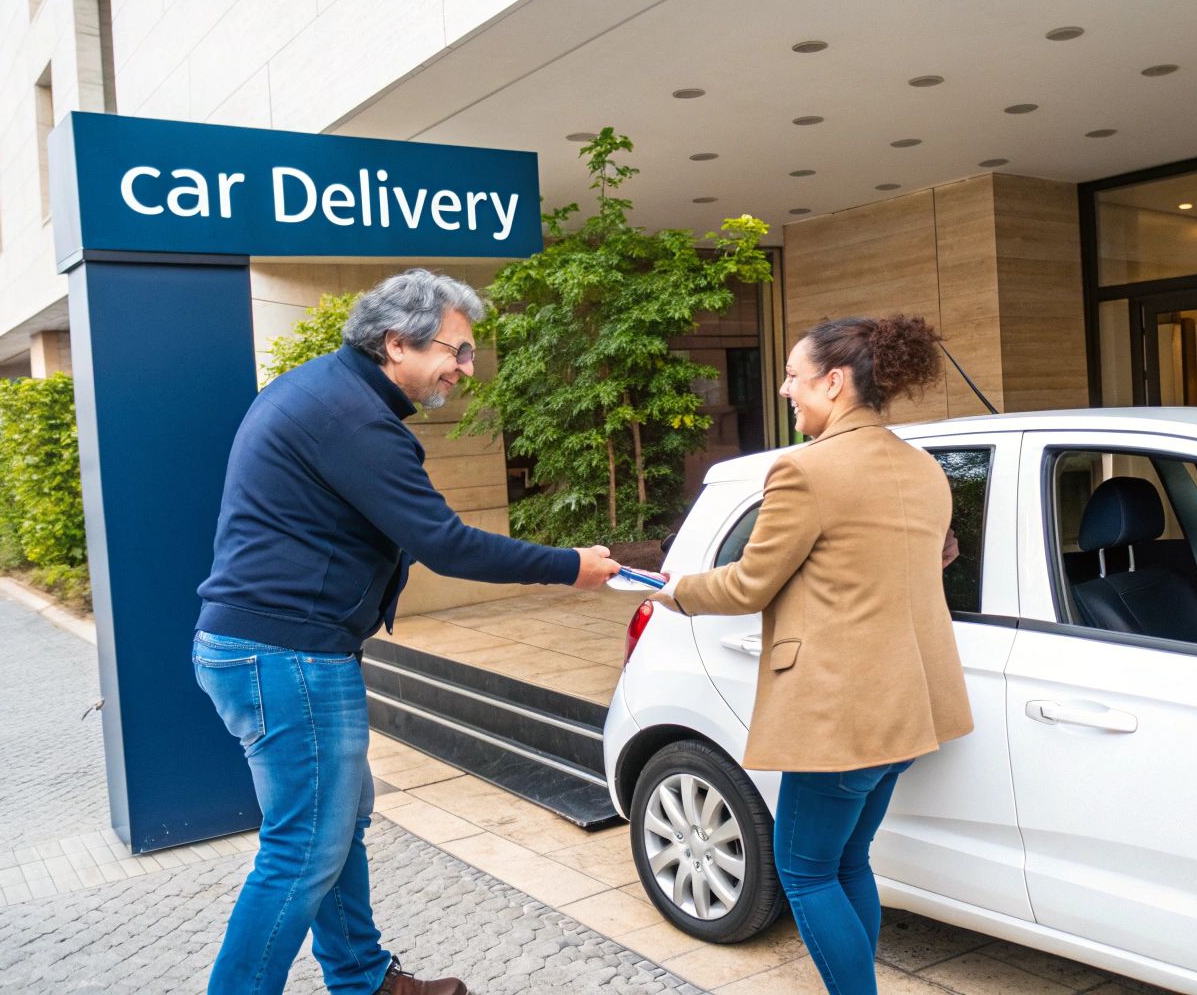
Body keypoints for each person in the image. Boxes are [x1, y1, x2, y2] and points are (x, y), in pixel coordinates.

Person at [192, 269, 619, 995]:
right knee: (302, 853)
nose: (465, 367)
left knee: (335, 826)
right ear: (396, 342)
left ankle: (363, 979)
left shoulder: (328, 392)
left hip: (275, 650)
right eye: (456, 350)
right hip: (287, 657)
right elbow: (446, 543)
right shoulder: (352, 418)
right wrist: (570, 565)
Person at [651, 315, 974, 995]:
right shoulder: (924, 469)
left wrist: (672, 591)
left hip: (842, 716)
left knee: (804, 872)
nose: (784, 389)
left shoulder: (804, 469)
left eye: (794, 377)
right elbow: (918, 562)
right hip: (909, 708)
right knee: (847, 861)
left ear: (834, 381)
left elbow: (748, 583)